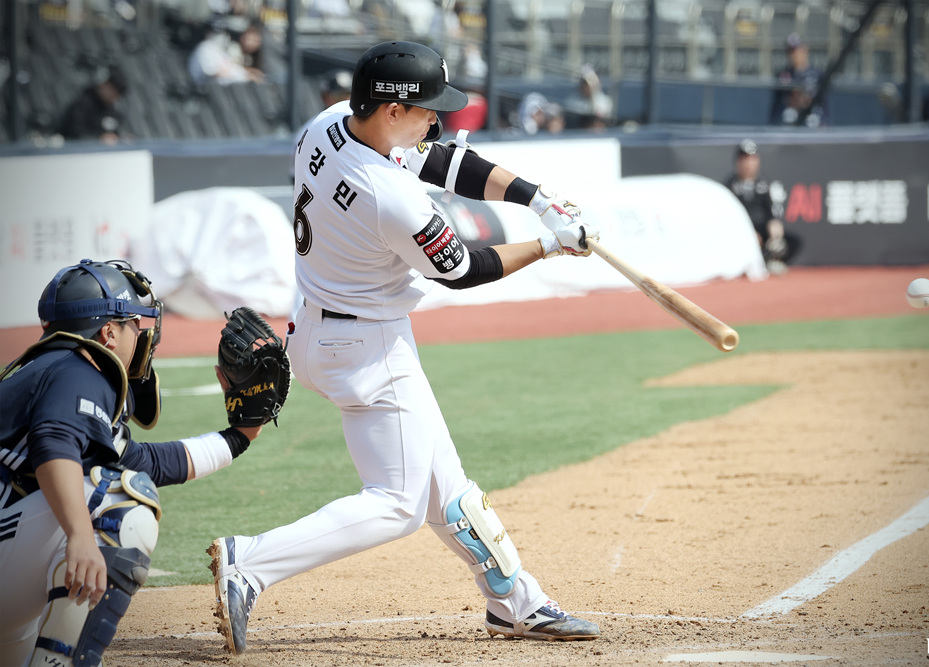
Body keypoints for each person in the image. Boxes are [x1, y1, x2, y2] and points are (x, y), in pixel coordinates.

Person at [208, 40, 601, 655]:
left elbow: (440, 160)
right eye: (424, 108)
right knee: (397, 504)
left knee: (445, 483)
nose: (436, 119)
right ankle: (250, 563)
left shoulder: (331, 122)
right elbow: (463, 269)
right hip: (367, 349)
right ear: (391, 111)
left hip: (317, 326)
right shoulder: (390, 198)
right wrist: (551, 245)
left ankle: (515, 599)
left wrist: (536, 198)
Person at [0, 259, 266, 666]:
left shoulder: (47, 368)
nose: (141, 336)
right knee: (122, 507)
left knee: (112, 482)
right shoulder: (79, 371)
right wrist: (79, 535)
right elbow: (53, 443)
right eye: (134, 326)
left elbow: (141, 461)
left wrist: (238, 438)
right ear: (108, 332)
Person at [725, 139, 800, 274]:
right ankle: (758, 261)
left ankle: (768, 259)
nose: (748, 163)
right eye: (744, 159)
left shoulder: (763, 185)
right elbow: (729, 217)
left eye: (752, 159)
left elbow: (771, 213)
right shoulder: (729, 186)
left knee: (793, 242)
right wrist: (748, 233)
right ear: (738, 162)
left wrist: (774, 229)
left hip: (763, 233)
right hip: (741, 234)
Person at [58, 66, 128, 145]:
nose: (114, 97)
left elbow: (114, 132)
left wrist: (122, 139)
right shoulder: (82, 105)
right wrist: (99, 139)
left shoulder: (112, 110)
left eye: (117, 95)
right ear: (105, 84)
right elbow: (75, 134)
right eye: (113, 91)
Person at [770, 33, 824, 127]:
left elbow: (822, 104)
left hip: (812, 118)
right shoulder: (783, 75)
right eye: (790, 52)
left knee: (813, 120)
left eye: (797, 51)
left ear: (805, 51)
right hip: (790, 120)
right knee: (789, 115)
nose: (794, 55)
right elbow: (777, 107)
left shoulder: (817, 74)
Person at [564, 65, 613, 131]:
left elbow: (604, 121)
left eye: (592, 82)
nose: (589, 86)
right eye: (585, 83)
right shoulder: (571, 101)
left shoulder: (605, 101)